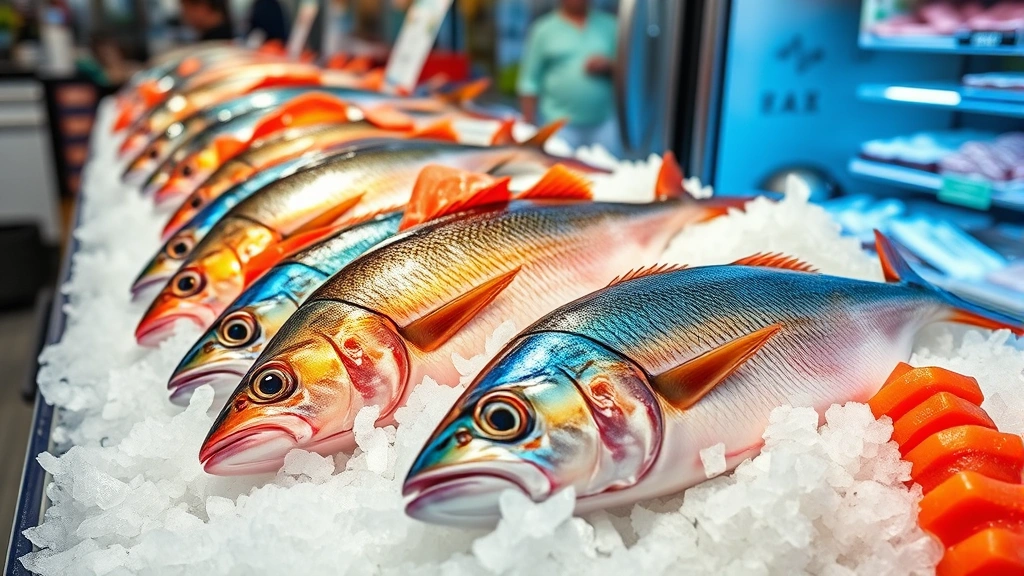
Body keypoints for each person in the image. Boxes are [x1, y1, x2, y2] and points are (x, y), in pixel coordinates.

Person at [517, 0, 620, 155]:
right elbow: (529, 82)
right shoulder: (543, 30)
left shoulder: (612, 26)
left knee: (610, 175)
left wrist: (609, 66)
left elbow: (633, 73)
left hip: (605, 124)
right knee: (561, 175)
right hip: (559, 127)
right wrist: (529, 127)